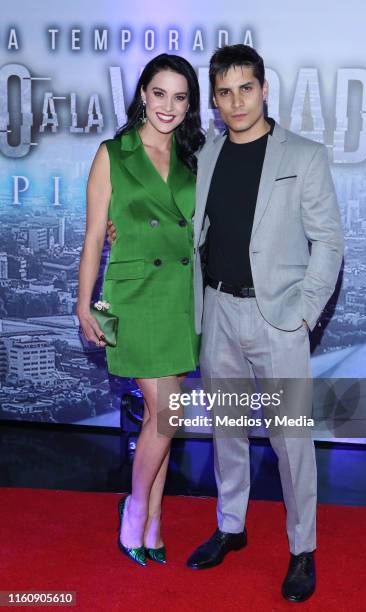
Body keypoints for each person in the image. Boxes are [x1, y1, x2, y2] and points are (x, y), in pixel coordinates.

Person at [107, 44, 343, 602]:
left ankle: (302, 548)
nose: (236, 102)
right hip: (216, 313)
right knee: (227, 432)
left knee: (290, 441)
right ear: (213, 101)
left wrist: (305, 312)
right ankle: (231, 527)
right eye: (224, 92)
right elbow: (170, 219)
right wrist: (127, 233)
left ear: (264, 89)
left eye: (245, 89)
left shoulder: (304, 156)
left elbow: (329, 242)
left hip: (279, 319)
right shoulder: (205, 156)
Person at [77, 53, 205, 567]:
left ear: (190, 104)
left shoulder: (196, 157)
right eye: (159, 94)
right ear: (142, 95)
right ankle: (134, 509)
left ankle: (153, 520)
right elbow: (92, 236)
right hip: (131, 295)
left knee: (163, 415)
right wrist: (84, 304)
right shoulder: (114, 152)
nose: (168, 107)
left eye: (179, 97)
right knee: (167, 413)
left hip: (180, 296)